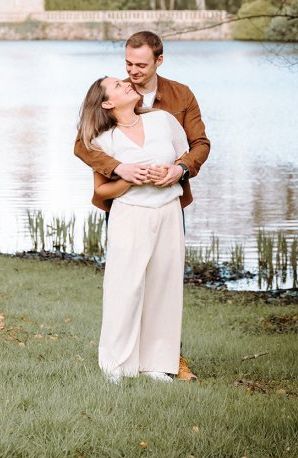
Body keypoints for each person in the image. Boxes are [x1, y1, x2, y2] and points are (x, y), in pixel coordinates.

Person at [74, 30, 210, 380]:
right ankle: (118, 364)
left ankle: (161, 362)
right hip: (128, 210)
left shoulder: (177, 100)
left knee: (164, 285)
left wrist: (178, 170)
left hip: (168, 206)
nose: (132, 72)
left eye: (140, 65)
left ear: (158, 62)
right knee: (126, 284)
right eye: (127, 64)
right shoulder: (107, 120)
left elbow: (196, 145)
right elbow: (84, 146)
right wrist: (122, 170)